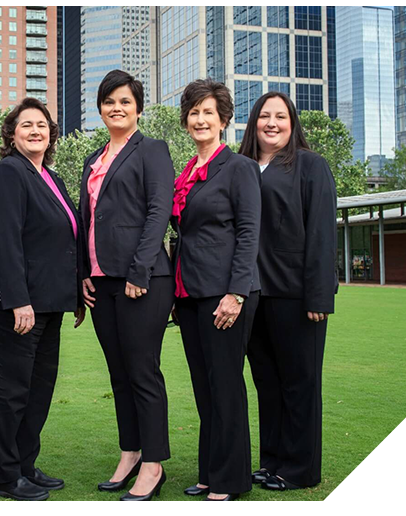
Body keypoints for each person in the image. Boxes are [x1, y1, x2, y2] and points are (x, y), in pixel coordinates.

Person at [0, 97, 85, 501]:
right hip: (15, 307)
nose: (35, 131)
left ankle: (24, 465)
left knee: (38, 389)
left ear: (51, 134)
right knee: (9, 391)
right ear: (11, 134)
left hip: (49, 304)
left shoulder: (51, 178)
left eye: (42, 125)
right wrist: (18, 300)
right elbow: (4, 240)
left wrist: (75, 296)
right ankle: (5, 476)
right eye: (26, 125)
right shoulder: (7, 172)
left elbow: (63, 242)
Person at [79, 70, 175, 501]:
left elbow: (159, 212)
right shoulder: (93, 159)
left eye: (124, 101)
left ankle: (153, 465)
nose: (116, 108)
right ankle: (130, 452)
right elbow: (87, 221)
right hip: (101, 282)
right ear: (99, 109)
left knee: (142, 372)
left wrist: (139, 270)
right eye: (108, 101)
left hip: (144, 279)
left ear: (138, 107)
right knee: (119, 374)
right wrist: (83, 271)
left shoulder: (152, 150)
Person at [239, 91, 338, 491]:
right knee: (267, 382)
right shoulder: (242, 167)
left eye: (281, 116)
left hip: (297, 296)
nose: (272, 123)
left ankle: (299, 469)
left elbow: (321, 233)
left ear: (292, 122)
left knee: (300, 383)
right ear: (253, 123)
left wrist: (319, 295)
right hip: (253, 295)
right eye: (265, 116)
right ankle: (272, 460)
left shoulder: (310, 166)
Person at [171, 79, 262, 501]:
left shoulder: (239, 168)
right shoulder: (186, 172)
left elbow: (248, 234)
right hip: (189, 294)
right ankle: (210, 472)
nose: (200, 119)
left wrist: (236, 293)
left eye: (209, 112)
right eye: (194, 112)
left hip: (225, 293)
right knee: (204, 387)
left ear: (224, 120)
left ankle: (230, 480)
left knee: (225, 385)